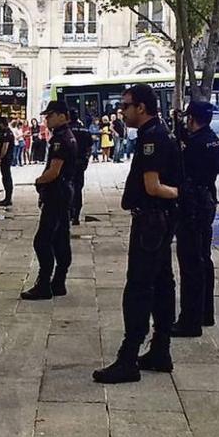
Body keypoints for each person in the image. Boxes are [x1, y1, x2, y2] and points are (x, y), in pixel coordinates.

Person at [93, 84, 180, 384]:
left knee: (139, 288)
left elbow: (153, 186)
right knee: (162, 283)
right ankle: (160, 349)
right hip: (160, 221)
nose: (122, 110)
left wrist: (178, 194)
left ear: (141, 107)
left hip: (150, 222)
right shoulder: (157, 132)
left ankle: (129, 357)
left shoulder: (152, 138)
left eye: (126, 105)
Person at [174, 101, 219, 338]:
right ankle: (206, 312)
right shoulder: (213, 139)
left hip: (193, 205)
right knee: (204, 258)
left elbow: (182, 170)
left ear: (192, 118)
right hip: (208, 200)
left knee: (191, 262)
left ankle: (189, 320)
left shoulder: (194, 145)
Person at [21, 101, 77, 300]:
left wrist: (39, 181)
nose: (47, 119)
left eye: (51, 115)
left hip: (57, 193)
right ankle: (59, 281)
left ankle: (44, 283)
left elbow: (54, 171)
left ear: (62, 115)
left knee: (42, 241)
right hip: (64, 192)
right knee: (60, 238)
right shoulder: (67, 136)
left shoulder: (60, 139)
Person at [69, 109, 93, 225]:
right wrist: (86, 159)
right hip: (80, 162)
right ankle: (76, 215)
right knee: (78, 189)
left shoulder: (67, 130)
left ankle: (70, 213)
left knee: (68, 187)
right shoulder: (85, 130)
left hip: (69, 163)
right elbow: (89, 147)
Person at [0, 116, 15, 207]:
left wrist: (0, 158)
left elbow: (5, 147)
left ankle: (8, 198)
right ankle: (8, 198)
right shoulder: (8, 132)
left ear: (1, 124)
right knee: (6, 177)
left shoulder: (6, 133)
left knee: (6, 177)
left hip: (6, 158)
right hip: (8, 158)